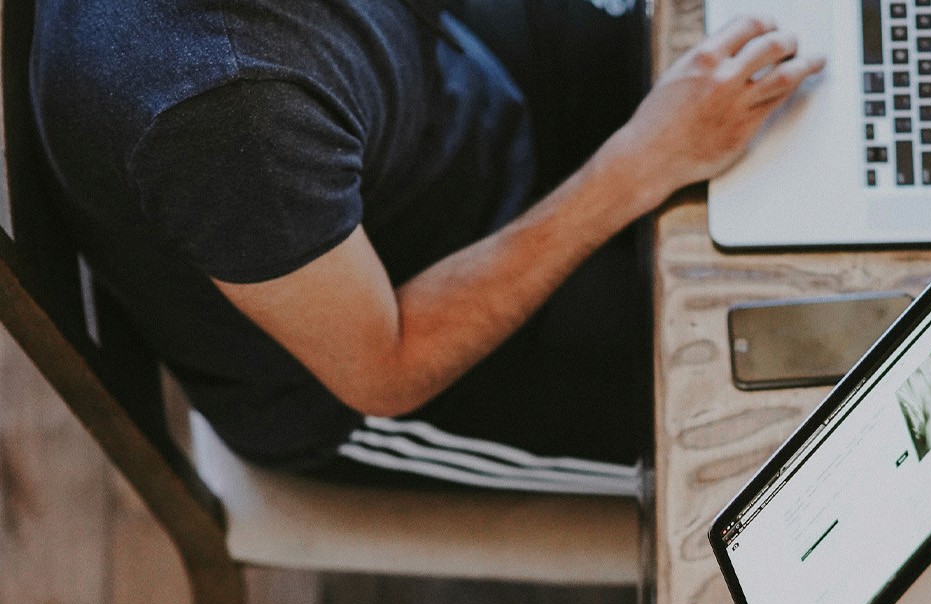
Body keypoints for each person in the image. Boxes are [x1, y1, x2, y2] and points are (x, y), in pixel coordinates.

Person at [30, 0, 823, 496]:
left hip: (441, 97)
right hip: (395, 341)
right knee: (775, 425)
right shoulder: (227, 115)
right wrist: (643, 160)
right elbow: (389, 368)